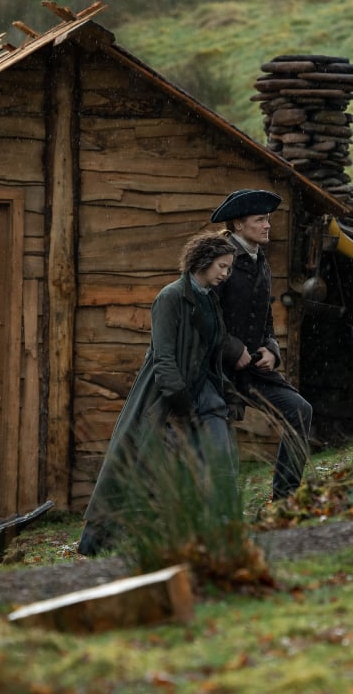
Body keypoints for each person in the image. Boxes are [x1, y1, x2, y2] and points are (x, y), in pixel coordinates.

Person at [77, 231, 239, 557]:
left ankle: (225, 531)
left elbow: (211, 349)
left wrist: (225, 391)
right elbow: (163, 355)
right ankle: (101, 541)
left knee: (221, 458)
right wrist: (178, 398)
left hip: (206, 393)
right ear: (203, 262)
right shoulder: (171, 297)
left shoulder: (210, 298)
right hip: (165, 394)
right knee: (138, 467)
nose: (225, 273)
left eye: (229, 268)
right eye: (221, 266)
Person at [211, 189, 313, 502]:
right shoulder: (220, 260)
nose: (268, 225)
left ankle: (284, 498)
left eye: (268, 219)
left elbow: (266, 317)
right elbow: (204, 319)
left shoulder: (260, 260)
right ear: (239, 225)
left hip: (254, 369)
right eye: (260, 220)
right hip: (216, 371)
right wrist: (233, 349)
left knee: (299, 410)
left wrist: (271, 349)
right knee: (219, 443)